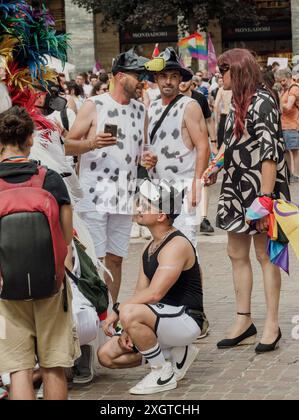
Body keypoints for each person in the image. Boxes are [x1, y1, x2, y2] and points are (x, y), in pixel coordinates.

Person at [205, 49, 290, 353]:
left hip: (259, 190)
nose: (219, 76)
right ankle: (244, 321)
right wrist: (214, 168)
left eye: (223, 70)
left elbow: (270, 152)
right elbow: (230, 144)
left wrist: (266, 200)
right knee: (234, 252)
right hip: (236, 189)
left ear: (237, 71)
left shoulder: (263, 101)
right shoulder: (238, 101)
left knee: (265, 255)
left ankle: (272, 324)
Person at [0, 106, 80, 400]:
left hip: (6, 288)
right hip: (51, 284)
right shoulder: (51, 179)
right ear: (31, 139)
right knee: (53, 364)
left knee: (18, 368)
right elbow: (66, 234)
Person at [98, 180, 204, 395]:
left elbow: (155, 293)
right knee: (106, 356)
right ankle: (172, 354)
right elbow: (141, 292)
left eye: (145, 205)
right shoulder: (150, 245)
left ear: (161, 216)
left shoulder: (177, 245)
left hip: (186, 319)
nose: (138, 208)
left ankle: (161, 372)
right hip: (161, 318)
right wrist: (128, 328)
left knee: (129, 311)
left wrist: (120, 312)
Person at [66, 49, 155, 303]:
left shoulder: (141, 110)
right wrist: (92, 143)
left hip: (124, 194)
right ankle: (91, 313)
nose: (141, 80)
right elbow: (68, 144)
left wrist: (148, 158)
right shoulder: (95, 105)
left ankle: (110, 313)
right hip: (93, 194)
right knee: (94, 258)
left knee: (116, 257)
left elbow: (143, 149)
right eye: (137, 74)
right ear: (118, 76)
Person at [147, 48, 210, 248]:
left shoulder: (189, 106)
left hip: (183, 187)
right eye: (164, 76)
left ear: (180, 79)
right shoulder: (152, 108)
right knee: (163, 248)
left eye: (173, 76)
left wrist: (197, 186)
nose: (168, 81)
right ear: (156, 78)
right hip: (158, 189)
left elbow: (203, 146)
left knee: (186, 247)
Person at [179, 77, 218, 235]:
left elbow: (209, 121)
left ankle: (203, 218)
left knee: (202, 179)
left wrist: (213, 142)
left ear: (192, 82)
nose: (182, 82)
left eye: (185, 79)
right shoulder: (171, 99)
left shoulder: (199, 98)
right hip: (180, 149)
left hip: (201, 144)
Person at [276, 68, 299, 182]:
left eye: (283, 80)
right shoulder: (286, 89)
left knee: (294, 150)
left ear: (289, 77)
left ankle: (295, 174)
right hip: (285, 124)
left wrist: (278, 99)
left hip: (292, 124)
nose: (282, 83)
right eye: (280, 81)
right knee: (286, 150)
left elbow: (289, 106)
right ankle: (291, 173)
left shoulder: (294, 88)